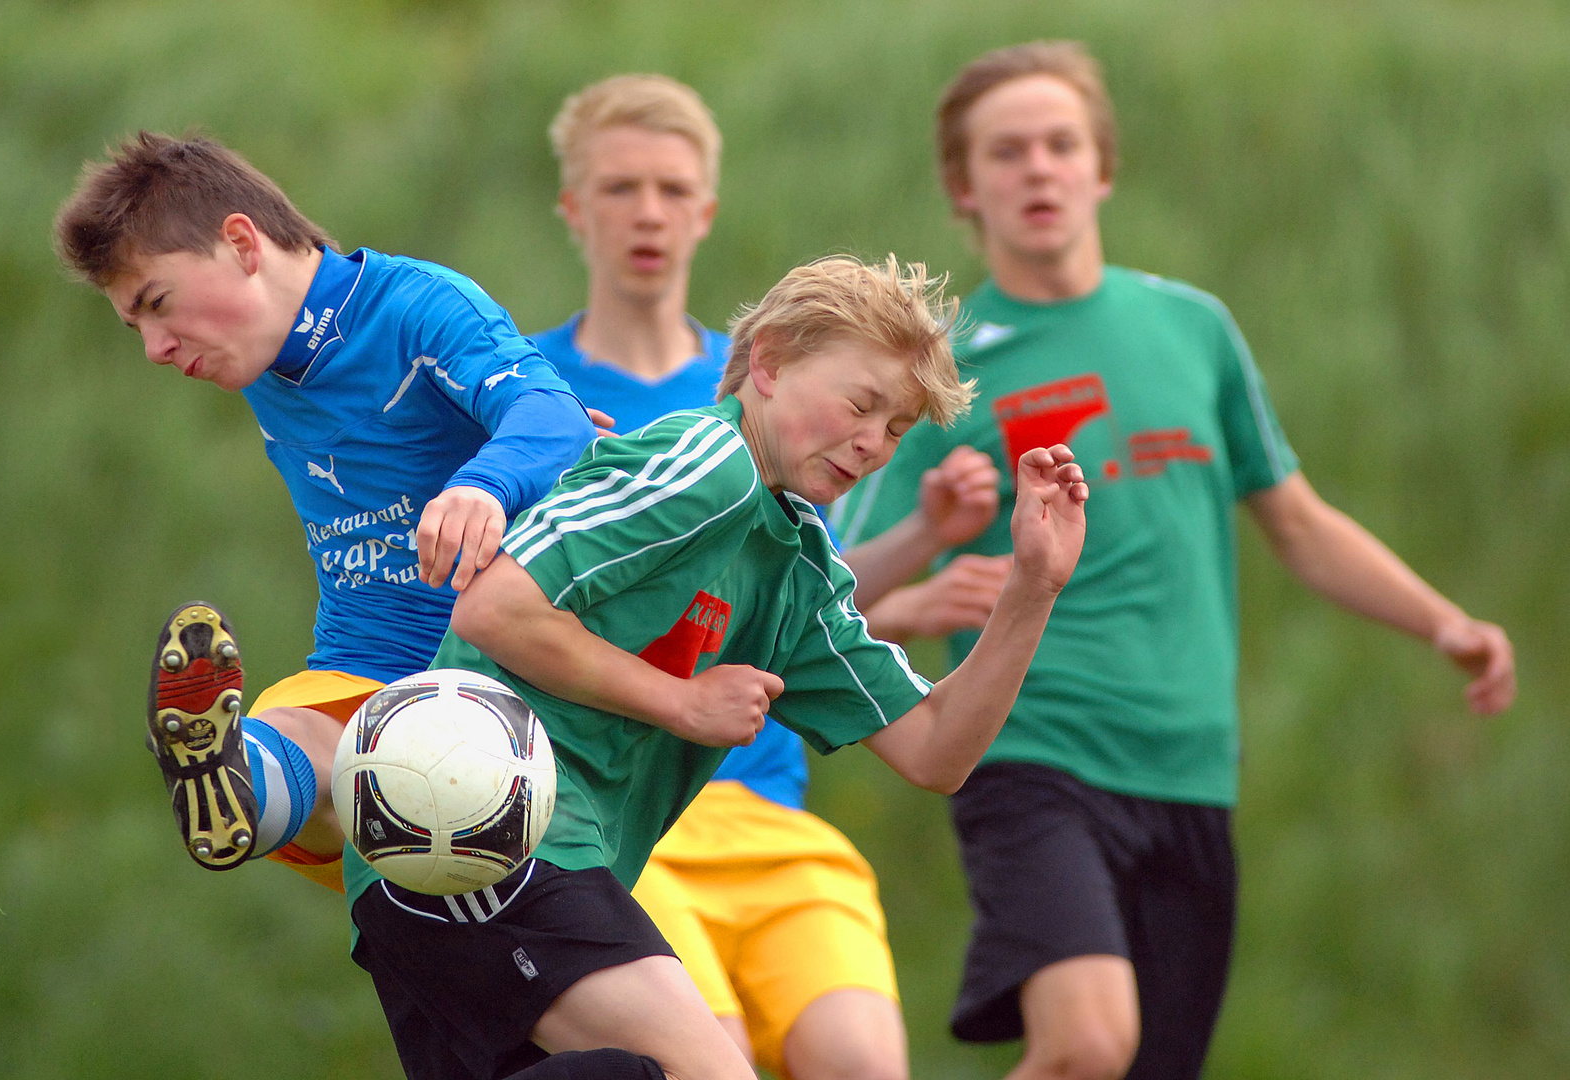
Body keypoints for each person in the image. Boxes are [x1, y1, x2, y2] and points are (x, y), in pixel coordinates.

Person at [830, 41, 1518, 1080]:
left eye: (1060, 145)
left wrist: (1439, 621)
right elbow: (813, 592)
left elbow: (1296, 520)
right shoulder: (939, 374)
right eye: (1006, 152)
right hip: (1032, 757)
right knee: (1085, 1046)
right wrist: (923, 592)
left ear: (1101, 167)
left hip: (1189, 768)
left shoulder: (1193, 329)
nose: (1037, 169)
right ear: (964, 187)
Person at [343, 254, 1089, 1080]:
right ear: (765, 361)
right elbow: (495, 610)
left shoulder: (799, 568)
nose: (873, 442)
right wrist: (682, 703)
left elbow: (938, 749)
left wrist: (1033, 586)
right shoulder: (710, 461)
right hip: (483, 833)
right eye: (861, 403)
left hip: (477, 870)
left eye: (897, 428)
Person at [531, 74, 1001, 1080]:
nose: (647, 212)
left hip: (760, 789)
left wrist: (922, 551)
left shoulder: (812, 398)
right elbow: (507, 600)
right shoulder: (539, 394)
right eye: (620, 188)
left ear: (706, 209)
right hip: (613, 807)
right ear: (573, 208)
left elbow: (795, 600)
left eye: (672, 189)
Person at [53, 131, 596, 890]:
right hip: (365, 668)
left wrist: (487, 483)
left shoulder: (414, 305)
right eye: (134, 325)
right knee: (309, 735)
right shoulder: (258, 357)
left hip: (502, 685)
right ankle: (229, 778)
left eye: (157, 304)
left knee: (365, 761)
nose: (153, 349)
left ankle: (262, 777)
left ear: (241, 242)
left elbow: (554, 417)